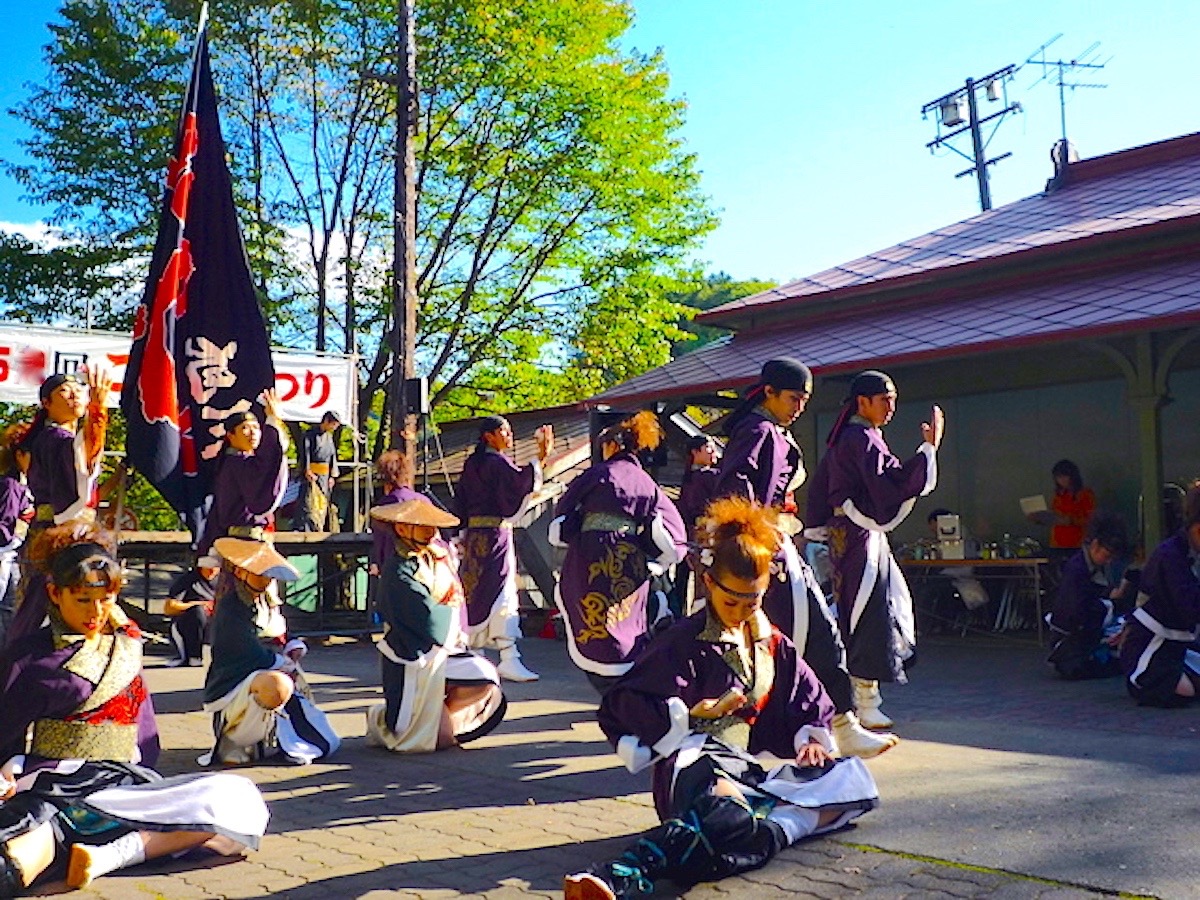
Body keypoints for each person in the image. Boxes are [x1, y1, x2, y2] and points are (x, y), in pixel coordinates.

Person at [564, 497, 879, 900]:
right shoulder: (681, 641)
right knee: (729, 813)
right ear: (710, 583)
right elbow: (623, 704)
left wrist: (812, 740)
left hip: (745, 769)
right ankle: (620, 873)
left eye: (754, 601)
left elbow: (808, 696)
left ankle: (759, 830)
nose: (742, 612)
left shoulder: (771, 642)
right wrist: (687, 715)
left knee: (852, 781)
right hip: (694, 763)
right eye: (732, 602)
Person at [0, 525, 268, 896]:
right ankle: (77, 848)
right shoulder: (30, 655)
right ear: (54, 593)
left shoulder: (125, 650)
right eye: (82, 600)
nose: (95, 612)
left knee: (238, 800)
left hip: (126, 787)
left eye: (106, 599)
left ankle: (110, 856)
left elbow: (146, 736)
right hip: (56, 787)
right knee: (13, 862)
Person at [715, 358, 895, 758]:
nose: (799, 407)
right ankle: (780, 732)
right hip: (765, 551)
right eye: (794, 398)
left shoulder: (769, 432)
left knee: (818, 637)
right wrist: (752, 541)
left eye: (804, 400)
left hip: (778, 547)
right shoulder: (757, 431)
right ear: (769, 393)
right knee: (794, 642)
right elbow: (735, 488)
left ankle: (839, 725)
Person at [807, 370, 942, 734]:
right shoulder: (859, 437)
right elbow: (890, 483)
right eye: (885, 399)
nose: (891, 407)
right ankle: (863, 703)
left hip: (853, 534)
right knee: (868, 613)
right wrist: (927, 452)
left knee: (867, 609)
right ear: (862, 402)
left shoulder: (853, 437)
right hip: (857, 535)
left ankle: (860, 701)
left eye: (894, 399)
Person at [550, 412, 687, 695]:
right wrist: (652, 558)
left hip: (588, 559)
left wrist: (578, 528)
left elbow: (560, 523)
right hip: (629, 561)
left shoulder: (594, 475)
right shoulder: (647, 483)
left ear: (612, 445)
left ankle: (616, 696)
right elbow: (674, 539)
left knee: (592, 624)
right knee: (629, 624)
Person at [365, 499, 507, 752]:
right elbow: (429, 620)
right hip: (412, 655)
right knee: (430, 742)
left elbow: (452, 600)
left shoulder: (436, 558)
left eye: (433, 526)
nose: (431, 532)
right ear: (403, 529)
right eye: (423, 526)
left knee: (484, 676)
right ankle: (385, 717)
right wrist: (449, 608)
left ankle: (436, 711)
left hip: (443, 651)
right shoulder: (398, 570)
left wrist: (449, 608)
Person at [200, 537, 340, 766]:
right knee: (276, 686)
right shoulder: (230, 607)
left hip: (269, 672)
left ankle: (275, 741)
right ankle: (241, 739)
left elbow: (281, 632)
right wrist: (280, 663)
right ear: (240, 571)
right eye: (258, 572)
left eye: (267, 573)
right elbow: (244, 649)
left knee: (299, 706)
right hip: (237, 685)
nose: (265, 579)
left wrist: (292, 646)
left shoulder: (264, 602)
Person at [6, 368, 112, 647]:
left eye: (79, 389)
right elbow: (81, 462)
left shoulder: (52, 439)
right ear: (47, 403)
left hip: (52, 530)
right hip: (61, 534)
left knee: (38, 604)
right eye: (64, 391)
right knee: (68, 598)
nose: (75, 394)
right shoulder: (56, 439)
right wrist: (98, 413)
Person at [455, 416, 553, 683]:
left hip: (474, 538)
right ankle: (509, 656)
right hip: (495, 537)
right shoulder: (496, 463)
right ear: (489, 435)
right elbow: (519, 485)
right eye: (504, 432)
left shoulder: (472, 464)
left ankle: (473, 651)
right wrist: (539, 458)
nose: (509, 436)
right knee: (501, 592)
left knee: (475, 593)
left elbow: (460, 503)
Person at [1119, 483, 1200, 707]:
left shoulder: (1183, 551)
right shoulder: (1170, 554)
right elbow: (1188, 606)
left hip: (1176, 641)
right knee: (1183, 690)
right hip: (1149, 642)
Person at [195, 389, 288, 565]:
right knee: (245, 592)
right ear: (230, 435)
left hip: (252, 543)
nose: (253, 432)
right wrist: (272, 420)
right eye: (245, 428)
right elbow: (267, 459)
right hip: (243, 544)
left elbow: (270, 455)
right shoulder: (236, 462)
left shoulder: (235, 462)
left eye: (256, 428)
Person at [1046, 511, 1134, 680]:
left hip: (1082, 628)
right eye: (1106, 556)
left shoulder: (1086, 566)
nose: (1108, 561)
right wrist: (1109, 604)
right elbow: (1078, 610)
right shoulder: (1077, 570)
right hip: (1073, 635)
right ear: (1095, 545)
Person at [368, 449, 426, 578]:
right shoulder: (424, 501)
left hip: (396, 568)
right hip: (425, 568)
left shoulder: (385, 506)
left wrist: (377, 563)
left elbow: (380, 542)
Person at [0, 431, 33, 649]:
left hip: (13, 555)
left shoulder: (21, 483)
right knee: (5, 609)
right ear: (20, 455)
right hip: (5, 555)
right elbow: (4, 527)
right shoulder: (11, 485)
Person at [162, 564, 220, 668]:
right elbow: (168, 608)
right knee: (197, 611)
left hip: (214, 624)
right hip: (186, 623)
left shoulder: (223, 580)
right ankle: (192, 655)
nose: (212, 571)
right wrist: (196, 604)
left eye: (216, 567)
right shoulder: (188, 580)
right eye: (209, 567)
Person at [297, 411, 341, 532]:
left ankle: (319, 527)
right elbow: (305, 453)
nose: (333, 428)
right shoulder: (309, 434)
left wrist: (332, 475)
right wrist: (307, 470)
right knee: (308, 504)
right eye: (333, 424)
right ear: (326, 421)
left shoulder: (329, 437)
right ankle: (305, 529)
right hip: (312, 474)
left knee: (322, 504)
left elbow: (332, 456)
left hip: (324, 476)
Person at [1046, 460, 1096, 552]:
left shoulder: (1085, 494)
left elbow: (1091, 519)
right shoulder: (1058, 496)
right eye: (1058, 477)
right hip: (1057, 543)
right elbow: (1054, 515)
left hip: (1077, 543)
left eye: (1065, 476)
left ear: (1073, 476)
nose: (1061, 480)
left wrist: (1072, 520)